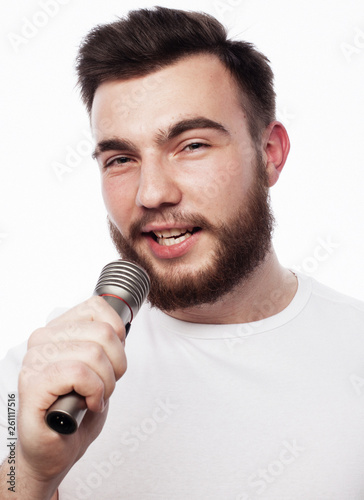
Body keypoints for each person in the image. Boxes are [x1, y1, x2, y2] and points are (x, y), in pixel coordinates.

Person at [0, 6, 364, 499]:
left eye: (191, 145)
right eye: (121, 158)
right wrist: (31, 472)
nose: (152, 193)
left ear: (270, 153)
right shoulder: (37, 376)